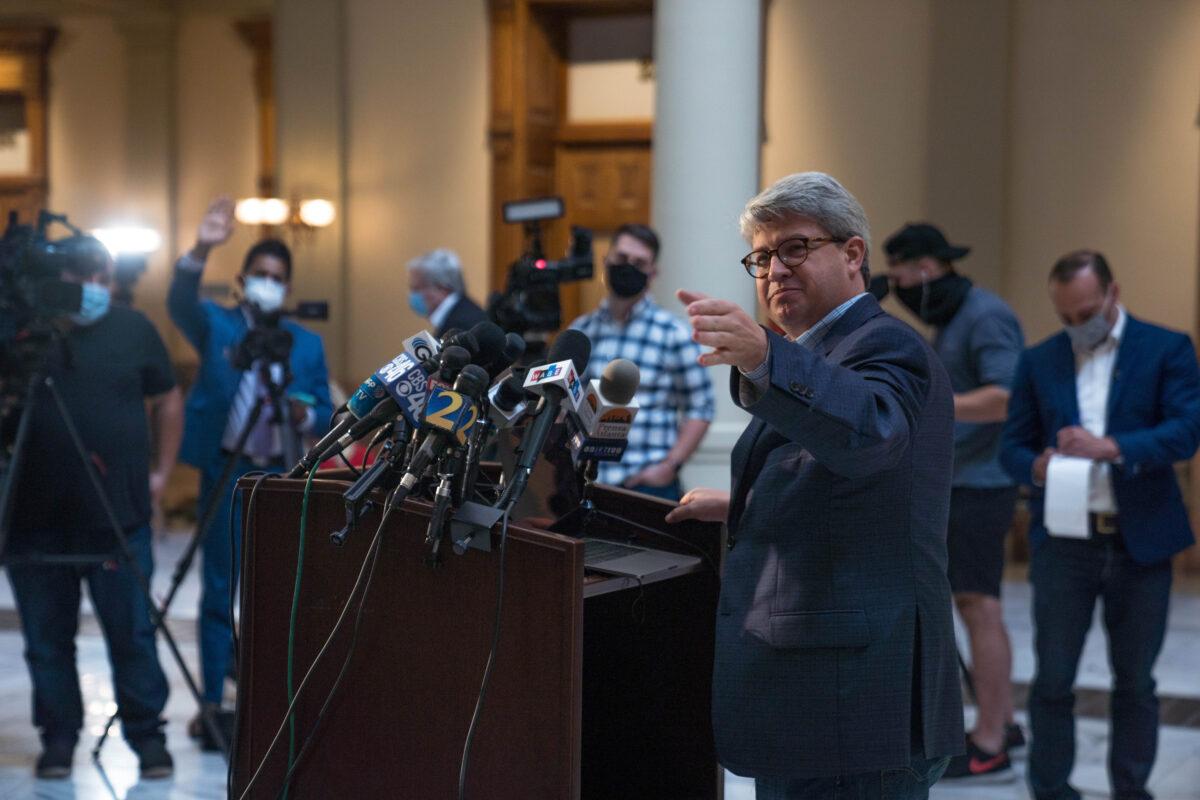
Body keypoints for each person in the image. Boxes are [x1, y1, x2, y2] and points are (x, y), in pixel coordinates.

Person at [667, 172, 963, 799]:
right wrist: (741, 503)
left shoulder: (885, 345)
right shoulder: (826, 352)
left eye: (795, 248)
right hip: (824, 694)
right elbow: (836, 472)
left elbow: (870, 437)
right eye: (762, 256)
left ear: (853, 254)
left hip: (856, 695)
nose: (774, 269)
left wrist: (764, 358)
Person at [1000, 250, 1200, 800]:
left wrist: (1111, 447)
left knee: (1135, 682)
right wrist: (1035, 464)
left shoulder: (1166, 348)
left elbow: (1185, 432)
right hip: (1065, 541)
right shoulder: (1040, 360)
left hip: (1141, 541)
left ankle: (1130, 790)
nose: (1075, 325)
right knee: (1053, 679)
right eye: (1064, 317)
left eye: (1084, 312)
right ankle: (1051, 789)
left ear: (1112, 293)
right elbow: (1010, 448)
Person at [5, 236, 182, 779]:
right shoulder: (23, 334)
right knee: (46, 643)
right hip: (36, 522)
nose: (94, 290)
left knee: (131, 634)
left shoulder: (134, 329)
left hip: (118, 517)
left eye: (103, 277)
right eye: (83, 277)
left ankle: (147, 739)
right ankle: (58, 739)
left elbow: (168, 396)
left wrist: (162, 475)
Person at [168, 196, 332, 739]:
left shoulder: (305, 344)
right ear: (242, 280)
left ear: (288, 288)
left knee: (283, 592)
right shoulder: (217, 326)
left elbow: (326, 413)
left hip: (282, 478)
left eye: (277, 278)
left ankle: (275, 702)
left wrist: (304, 409)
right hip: (227, 472)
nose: (268, 284)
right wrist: (201, 247)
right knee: (219, 588)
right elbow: (178, 301)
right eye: (259, 275)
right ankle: (214, 703)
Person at [883, 222, 1026, 780]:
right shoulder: (949, 318)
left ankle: (989, 740)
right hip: (960, 480)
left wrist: (933, 405)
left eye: (901, 274)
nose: (899, 285)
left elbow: (1005, 396)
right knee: (975, 604)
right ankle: (1005, 720)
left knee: (977, 606)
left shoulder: (985, 316)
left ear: (926, 268)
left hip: (981, 484)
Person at [568, 223, 714, 500]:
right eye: (621, 259)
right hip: (583, 483)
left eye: (639, 262)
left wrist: (669, 466)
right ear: (605, 261)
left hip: (647, 485)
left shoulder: (673, 334)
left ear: (653, 272)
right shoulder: (581, 331)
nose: (628, 267)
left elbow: (701, 406)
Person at [406, 248, 488, 338]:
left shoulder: (462, 325)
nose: (412, 295)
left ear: (442, 288)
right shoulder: (457, 315)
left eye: (417, 288)